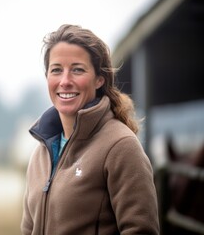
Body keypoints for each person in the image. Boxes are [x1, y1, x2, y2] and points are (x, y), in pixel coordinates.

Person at [21, 24, 160, 235]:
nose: (65, 81)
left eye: (77, 69)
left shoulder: (121, 146)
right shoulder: (41, 153)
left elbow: (141, 230)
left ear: (99, 79)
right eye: (56, 70)